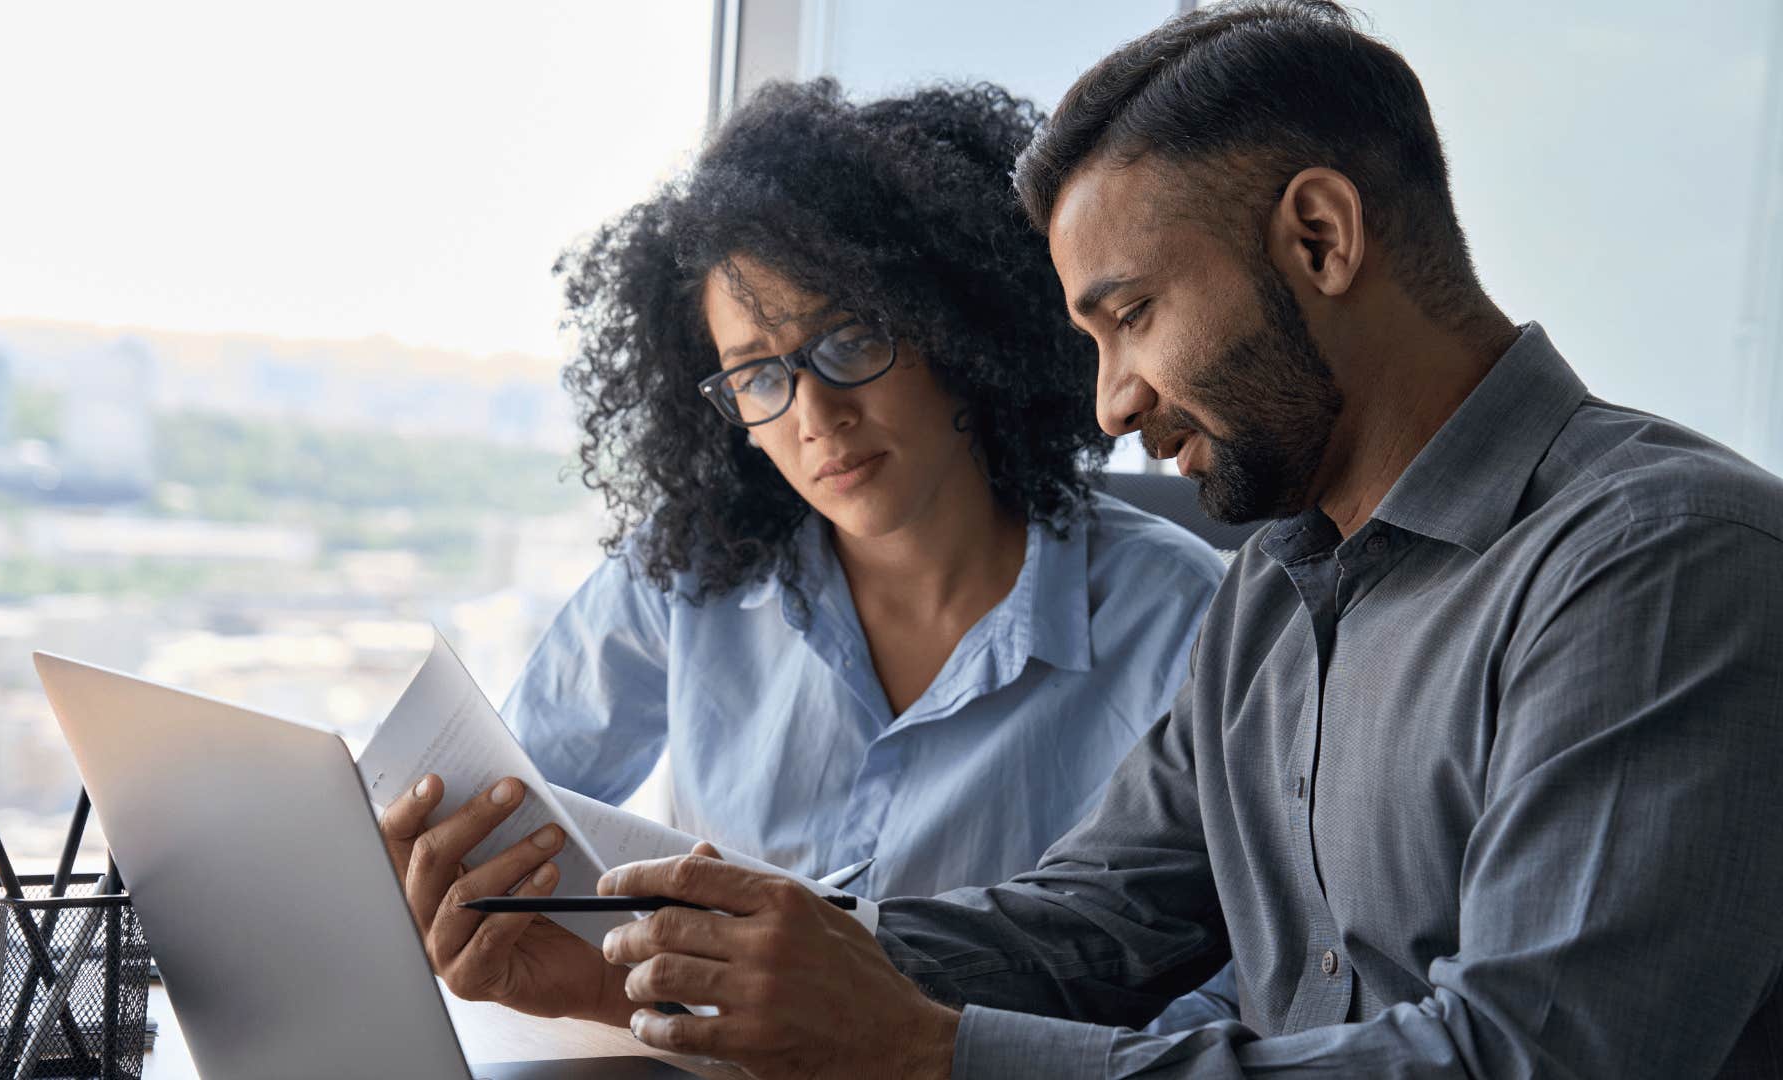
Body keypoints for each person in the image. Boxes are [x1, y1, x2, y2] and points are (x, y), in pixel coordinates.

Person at [382, 2, 1783, 1075]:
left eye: (1130, 317)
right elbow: (1087, 928)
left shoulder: (1664, 561)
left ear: (1319, 237)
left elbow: (1525, 1062)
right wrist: (662, 964)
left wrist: (934, 1055)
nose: (1110, 402)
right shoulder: (1280, 595)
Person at [382, 81, 1235, 1027]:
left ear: (958, 333)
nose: (816, 415)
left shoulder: (1185, 620)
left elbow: (1236, 992)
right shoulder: (685, 580)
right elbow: (511, 803)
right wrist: (438, 882)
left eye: (852, 340)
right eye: (756, 375)